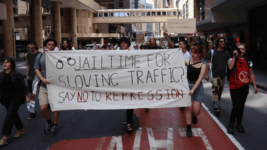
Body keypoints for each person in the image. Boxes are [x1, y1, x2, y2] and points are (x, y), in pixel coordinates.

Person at [227, 44, 258, 134]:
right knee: (236, 106)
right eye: (239, 49)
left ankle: (239, 124)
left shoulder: (248, 61)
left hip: (245, 87)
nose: (241, 50)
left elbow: (251, 74)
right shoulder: (231, 59)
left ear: (245, 51)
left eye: (243, 49)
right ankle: (231, 124)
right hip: (234, 87)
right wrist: (234, 56)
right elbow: (230, 67)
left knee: (241, 107)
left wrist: (255, 86)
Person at [0, 57, 29, 145]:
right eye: (4, 62)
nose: (5, 64)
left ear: (11, 64)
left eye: (7, 62)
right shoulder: (1, 74)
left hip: (16, 97)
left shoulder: (17, 74)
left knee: (9, 116)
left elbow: (23, 86)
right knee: (13, 114)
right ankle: (21, 129)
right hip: (5, 98)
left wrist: (26, 96)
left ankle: (5, 137)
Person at [34, 38, 59, 136]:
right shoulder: (40, 56)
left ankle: (55, 124)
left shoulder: (59, 56)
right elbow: (36, 69)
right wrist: (43, 79)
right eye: (49, 44)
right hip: (44, 86)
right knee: (43, 108)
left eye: (53, 45)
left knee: (55, 107)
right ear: (45, 46)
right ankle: (49, 122)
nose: (51, 46)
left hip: (56, 86)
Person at [181, 46, 206, 137]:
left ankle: (194, 115)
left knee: (195, 111)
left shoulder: (203, 65)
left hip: (197, 88)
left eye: (194, 53)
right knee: (188, 108)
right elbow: (176, 63)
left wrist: (193, 89)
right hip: (188, 86)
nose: (192, 55)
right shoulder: (188, 62)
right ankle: (188, 127)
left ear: (199, 54)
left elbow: (199, 79)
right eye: (191, 53)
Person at [205, 37, 230, 116]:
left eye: (224, 41)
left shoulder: (227, 53)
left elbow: (230, 64)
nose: (223, 43)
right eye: (221, 41)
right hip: (215, 75)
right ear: (218, 43)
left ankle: (217, 105)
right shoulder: (212, 52)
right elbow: (208, 63)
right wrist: (206, 74)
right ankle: (216, 107)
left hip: (223, 75)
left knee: (220, 92)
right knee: (215, 90)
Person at [25, 40, 40, 120]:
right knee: (31, 95)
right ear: (28, 45)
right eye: (30, 44)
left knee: (42, 93)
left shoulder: (39, 54)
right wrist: (27, 75)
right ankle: (32, 112)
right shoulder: (26, 54)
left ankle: (47, 104)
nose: (32, 46)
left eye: (33, 44)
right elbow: (28, 65)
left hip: (39, 77)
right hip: (31, 77)